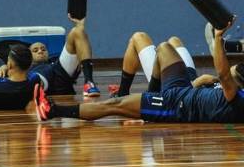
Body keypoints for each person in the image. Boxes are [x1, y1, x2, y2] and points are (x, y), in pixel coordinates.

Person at [35, 23, 244, 124]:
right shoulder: (230, 89)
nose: (232, 68)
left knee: (113, 106)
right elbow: (224, 77)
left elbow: (224, 74)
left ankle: (53, 111)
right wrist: (204, 82)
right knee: (164, 48)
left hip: (176, 106)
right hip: (183, 90)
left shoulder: (237, 97)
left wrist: (218, 39)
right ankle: (152, 93)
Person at [109, 32, 201, 97]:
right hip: (191, 81)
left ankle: (122, 94)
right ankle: (123, 93)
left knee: (138, 37)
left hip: (173, 86)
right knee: (174, 40)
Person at [29, 16, 100, 97]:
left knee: (77, 31)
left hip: (60, 74)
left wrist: (79, 26)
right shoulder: (27, 70)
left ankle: (89, 82)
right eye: (35, 50)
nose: (40, 51)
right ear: (29, 56)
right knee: (35, 80)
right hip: (42, 81)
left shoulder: (54, 60)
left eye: (43, 49)